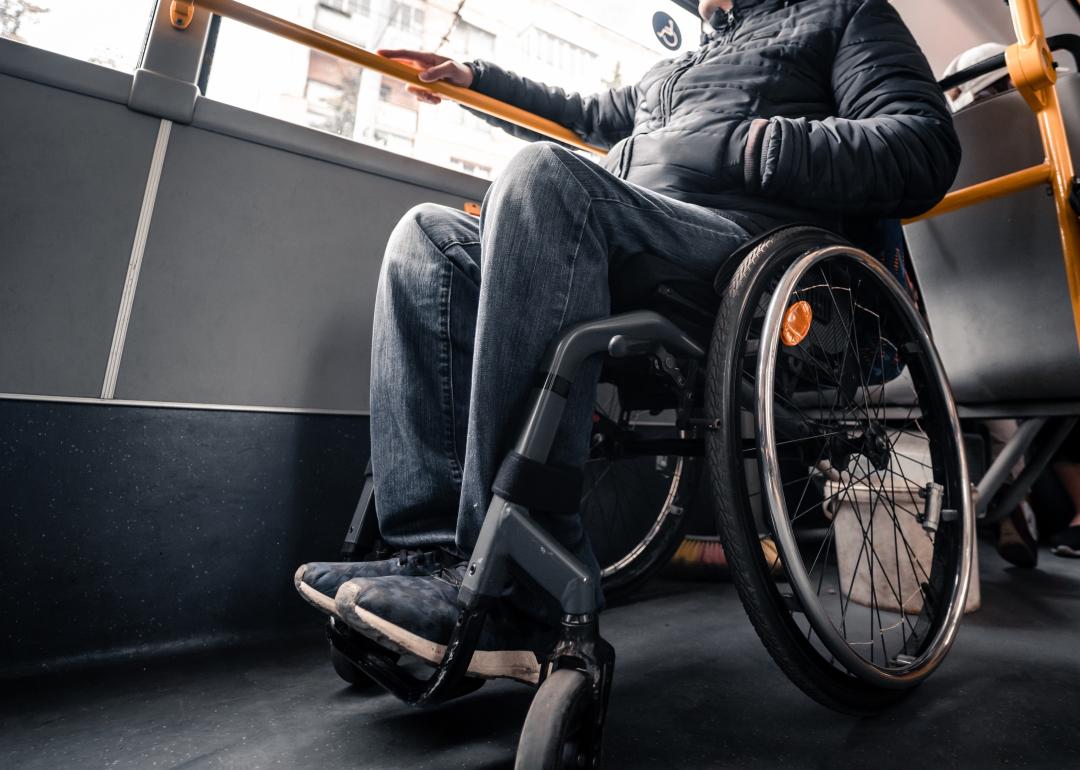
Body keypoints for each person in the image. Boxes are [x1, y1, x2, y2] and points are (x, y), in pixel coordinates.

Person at [293, 0, 961, 680]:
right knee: (427, 238)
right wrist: (474, 76)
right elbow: (577, 111)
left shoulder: (840, 15)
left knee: (542, 175)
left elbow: (922, 144)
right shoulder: (674, 69)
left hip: (741, 251)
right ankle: (432, 560)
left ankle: (522, 585)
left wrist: (752, 146)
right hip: (632, 234)